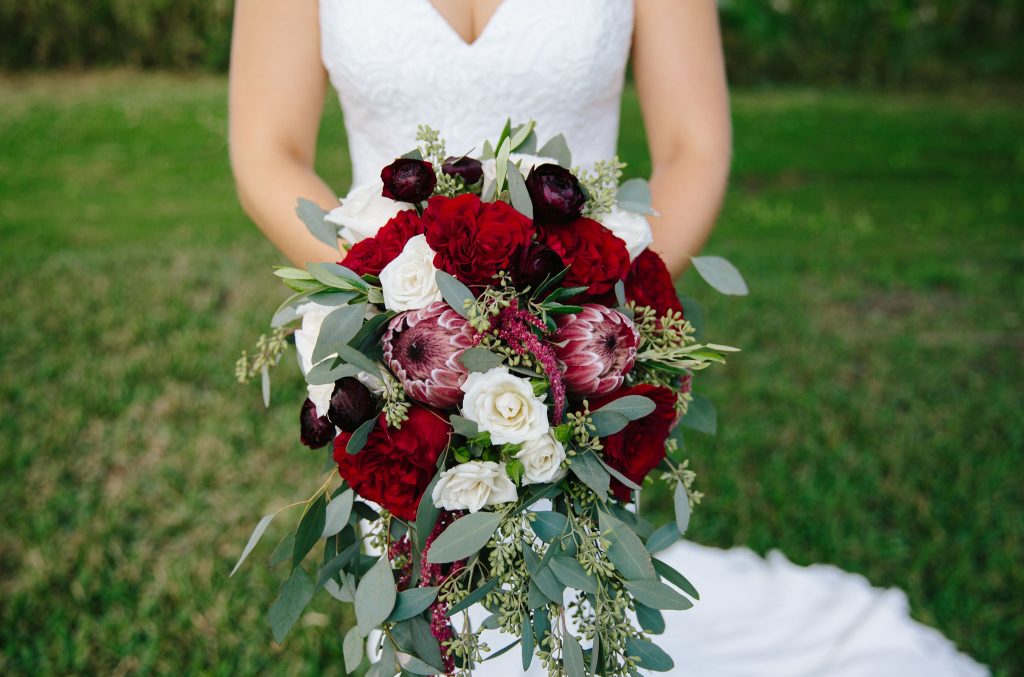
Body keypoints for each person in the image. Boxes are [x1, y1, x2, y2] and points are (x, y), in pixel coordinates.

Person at [228, 2, 987, 674]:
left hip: (580, 341)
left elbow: (694, 146)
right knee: (430, 614)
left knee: (569, 613)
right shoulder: (386, 325)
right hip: (392, 357)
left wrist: (584, 317)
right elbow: (268, 149)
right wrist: (386, 303)